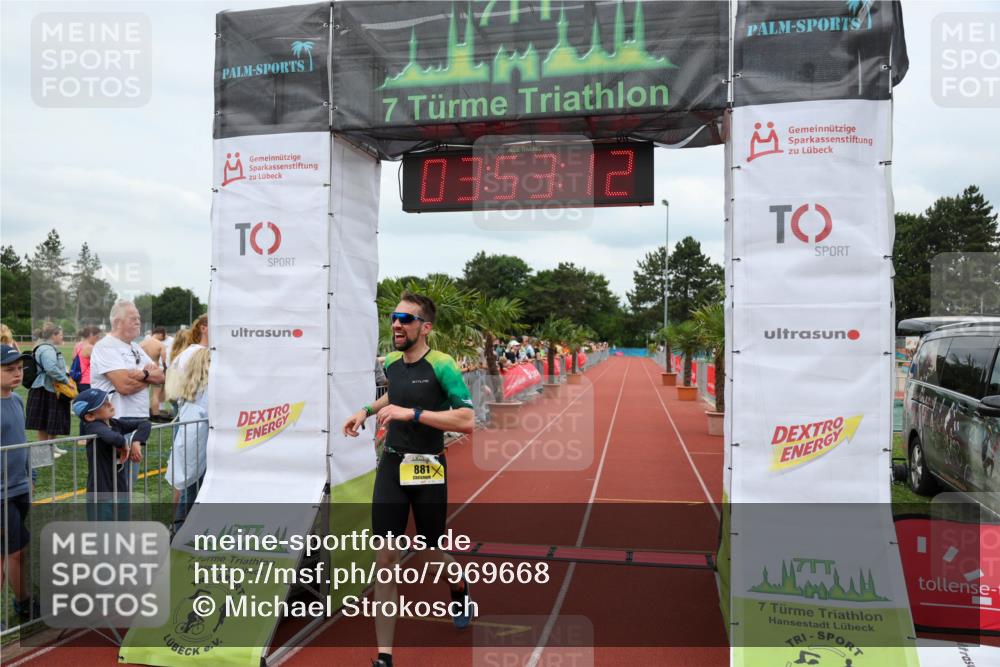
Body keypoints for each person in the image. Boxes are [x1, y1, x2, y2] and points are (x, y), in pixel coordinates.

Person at [342, 292, 476, 667]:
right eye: (393, 317)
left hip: (428, 466)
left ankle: (460, 584)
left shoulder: (443, 365)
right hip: (392, 464)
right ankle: (384, 656)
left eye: (405, 319)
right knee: (385, 556)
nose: (397, 324)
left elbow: (466, 420)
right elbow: (394, 398)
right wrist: (366, 410)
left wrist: (413, 413)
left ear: (425, 327)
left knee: (431, 549)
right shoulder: (392, 364)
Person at [90, 302, 165, 484]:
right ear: (117, 322)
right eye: (133, 318)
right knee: (114, 484)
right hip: (115, 424)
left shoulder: (135, 347)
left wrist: (143, 374)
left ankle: (123, 513)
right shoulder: (106, 346)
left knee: (128, 483)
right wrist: (148, 377)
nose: (139, 322)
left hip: (136, 425)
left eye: (139, 318)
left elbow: (161, 376)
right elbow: (124, 386)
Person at [73, 388, 151, 521]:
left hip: (120, 487)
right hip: (101, 490)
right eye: (103, 404)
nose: (110, 405)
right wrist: (124, 444)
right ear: (90, 416)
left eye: (108, 401)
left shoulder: (115, 423)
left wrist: (136, 442)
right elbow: (112, 437)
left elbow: (145, 423)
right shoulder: (93, 427)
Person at [1, 344, 37, 625]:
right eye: (8, 369)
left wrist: (29, 476)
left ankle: (23, 602)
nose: (17, 374)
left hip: (19, 487)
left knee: (20, 550)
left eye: (19, 369)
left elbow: (21, 441)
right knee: (4, 555)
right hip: (1, 494)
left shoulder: (16, 399)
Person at [166, 346, 210, 532]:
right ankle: (180, 531)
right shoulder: (206, 391)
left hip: (191, 447)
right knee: (192, 491)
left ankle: (179, 530)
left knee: (189, 490)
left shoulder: (191, 389)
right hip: (199, 448)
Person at [25, 323, 73, 458]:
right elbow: (50, 368)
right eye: (61, 334)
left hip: (50, 388)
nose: (62, 337)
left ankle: (52, 446)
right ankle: (43, 451)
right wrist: (66, 380)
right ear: (54, 335)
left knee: (53, 419)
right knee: (44, 421)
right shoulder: (47, 349)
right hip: (44, 389)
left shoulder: (50, 348)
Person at [140, 326, 167, 421]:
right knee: (155, 394)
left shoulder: (141, 344)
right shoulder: (160, 345)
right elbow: (164, 361)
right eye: (163, 336)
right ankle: (155, 415)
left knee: (143, 393)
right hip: (155, 370)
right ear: (160, 334)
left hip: (144, 371)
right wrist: (165, 372)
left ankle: (143, 414)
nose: (163, 338)